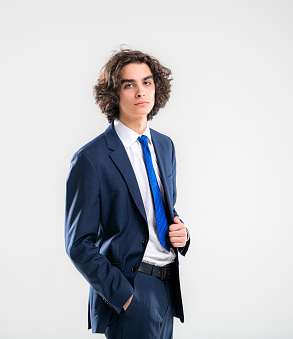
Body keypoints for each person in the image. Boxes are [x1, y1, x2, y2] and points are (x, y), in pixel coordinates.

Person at [65, 48, 190, 339]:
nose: (140, 92)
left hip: (168, 286)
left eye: (147, 82)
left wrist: (182, 233)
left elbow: (159, 209)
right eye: (129, 84)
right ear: (113, 94)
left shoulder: (165, 146)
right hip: (131, 290)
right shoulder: (91, 158)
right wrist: (125, 296)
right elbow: (78, 244)